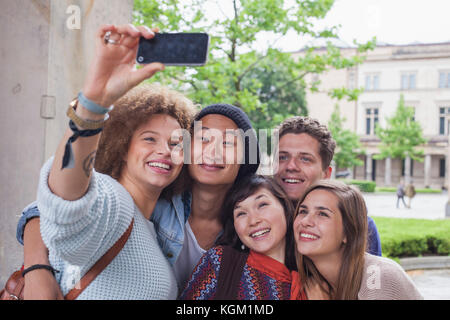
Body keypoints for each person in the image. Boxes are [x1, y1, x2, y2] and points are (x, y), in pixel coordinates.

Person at [22, 24, 197, 299]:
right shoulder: (111, 201)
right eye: (150, 139)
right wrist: (93, 104)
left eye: (176, 143)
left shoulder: (160, 234)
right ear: (122, 148)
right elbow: (65, 205)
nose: (165, 150)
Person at [16, 102, 260, 296]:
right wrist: (37, 268)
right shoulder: (152, 198)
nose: (213, 151)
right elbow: (48, 207)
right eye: (203, 139)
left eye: (229, 143)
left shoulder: (247, 226)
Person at [180, 175, 306, 300]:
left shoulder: (307, 286)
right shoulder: (220, 261)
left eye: (262, 205)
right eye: (241, 213)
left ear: (285, 208)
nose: (253, 220)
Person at [293, 180, 423, 300]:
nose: (305, 221)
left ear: (348, 232)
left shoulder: (378, 277)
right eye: (303, 211)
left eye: (322, 214)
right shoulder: (312, 282)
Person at [273, 116, 382, 256]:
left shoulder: (357, 225)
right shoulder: (255, 220)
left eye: (305, 159)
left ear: (326, 173)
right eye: (282, 157)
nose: (291, 166)